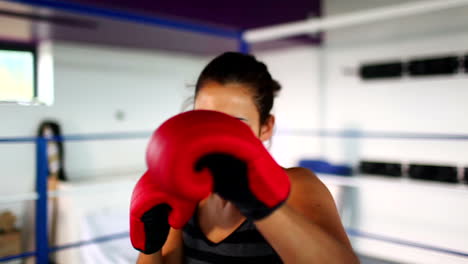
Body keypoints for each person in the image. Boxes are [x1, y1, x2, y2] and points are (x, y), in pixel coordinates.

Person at [135, 52, 359, 264]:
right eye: (205, 119)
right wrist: (150, 247)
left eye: (235, 125)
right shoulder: (186, 194)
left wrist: (262, 206)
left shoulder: (295, 186)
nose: (216, 136)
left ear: (266, 127)